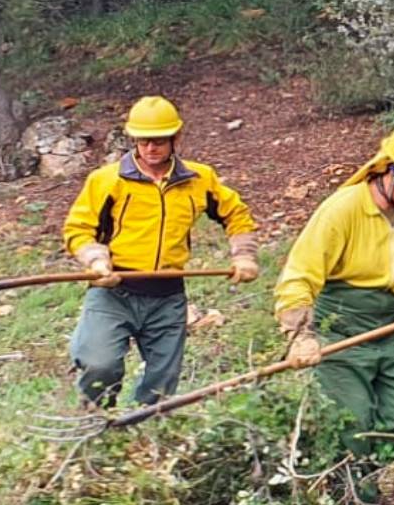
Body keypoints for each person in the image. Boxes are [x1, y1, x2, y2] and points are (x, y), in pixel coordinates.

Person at [273, 124, 394, 493]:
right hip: (340, 324)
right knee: (352, 420)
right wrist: (301, 335)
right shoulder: (342, 210)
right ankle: (351, 497)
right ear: (390, 171)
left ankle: (362, 477)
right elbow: (298, 277)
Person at [61, 96, 260, 408]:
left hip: (167, 296)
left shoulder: (199, 179)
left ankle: (144, 434)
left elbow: (236, 215)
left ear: (176, 138)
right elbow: (78, 229)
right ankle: (95, 423)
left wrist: (244, 255)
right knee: (100, 366)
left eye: (159, 141)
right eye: (143, 142)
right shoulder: (106, 181)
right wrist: (96, 259)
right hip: (114, 291)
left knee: (160, 389)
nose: (150, 148)